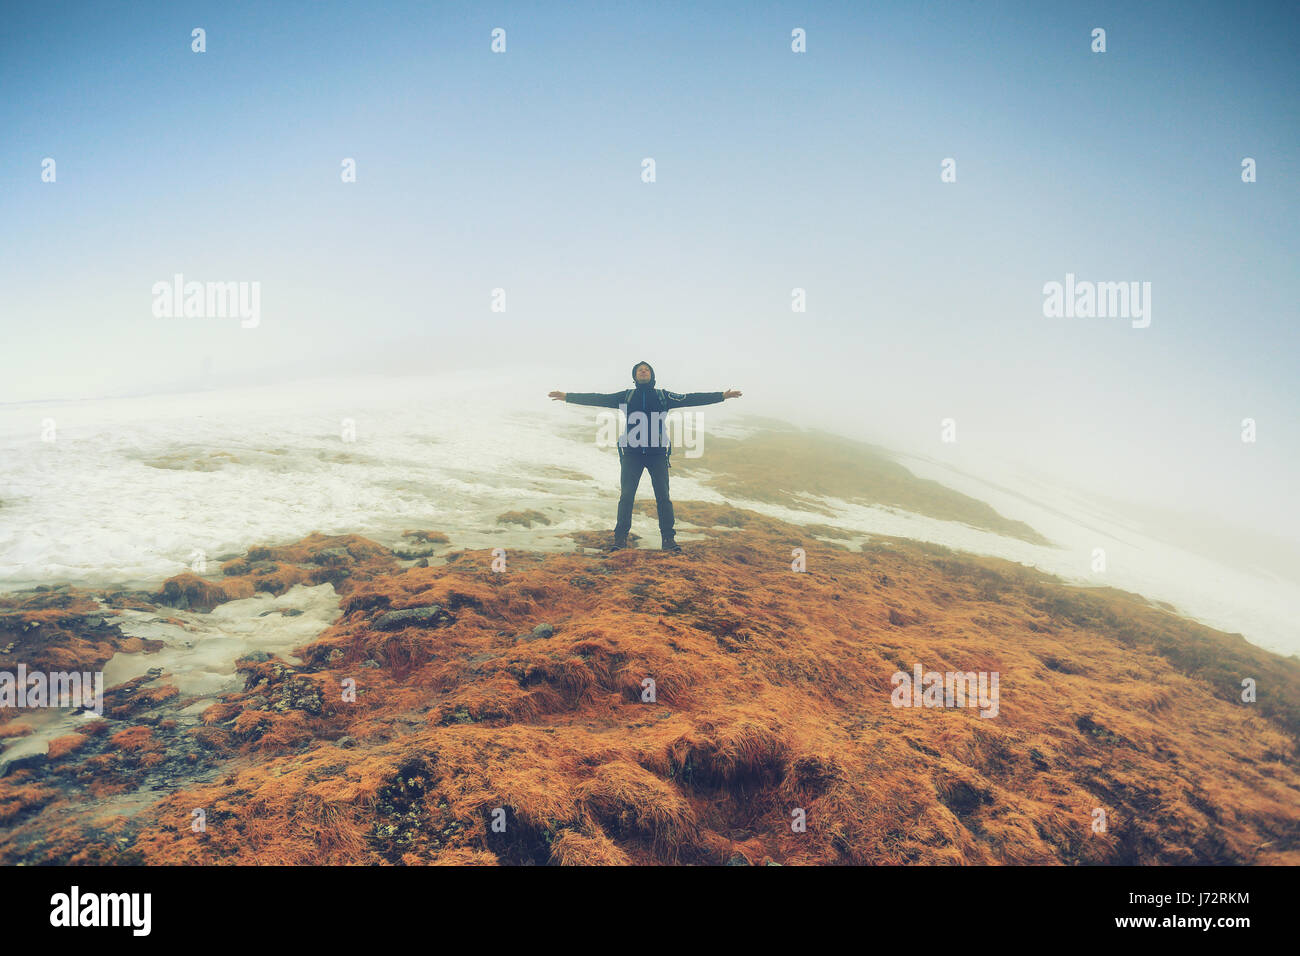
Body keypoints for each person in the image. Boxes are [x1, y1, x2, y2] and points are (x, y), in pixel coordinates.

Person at [549, 361, 742, 551]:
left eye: (646, 369)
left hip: (657, 454)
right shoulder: (626, 396)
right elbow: (597, 398)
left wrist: (722, 396)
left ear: (652, 375)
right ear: (634, 376)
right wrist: (567, 397)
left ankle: (668, 540)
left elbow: (691, 398)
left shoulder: (663, 396)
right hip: (632, 454)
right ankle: (620, 539)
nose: (643, 371)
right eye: (639, 370)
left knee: (663, 497)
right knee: (626, 497)